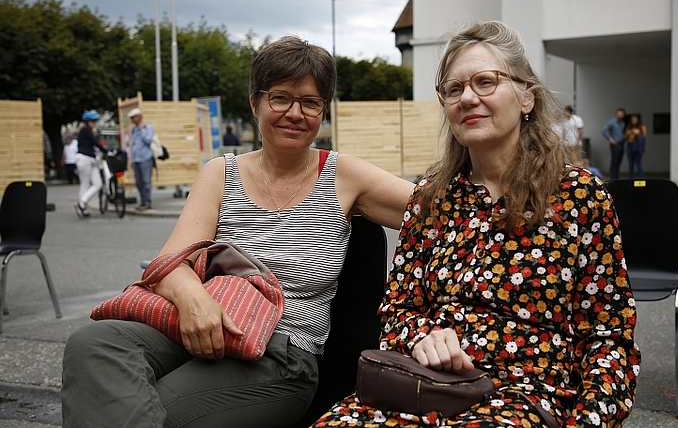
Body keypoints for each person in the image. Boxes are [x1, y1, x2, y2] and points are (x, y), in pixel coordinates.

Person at [61, 35, 416, 427]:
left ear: (323, 111)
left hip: (280, 354)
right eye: (280, 98)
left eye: (310, 102)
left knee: (148, 410)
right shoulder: (221, 172)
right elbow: (169, 263)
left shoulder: (343, 174)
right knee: (93, 344)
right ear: (255, 103)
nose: (295, 113)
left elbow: (446, 210)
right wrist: (196, 303)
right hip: (201, 328)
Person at [314, 21, 640, 427]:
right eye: (454, 89)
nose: (468, 98)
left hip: (524, 395)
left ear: (527, 98)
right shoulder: (432, 198)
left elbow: (609, 341)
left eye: (485, 82)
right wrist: (421, 336)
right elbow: (398, 312)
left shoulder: (579, 196)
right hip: (423, 387)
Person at [74, 110, 108, 218]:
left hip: (91, 159)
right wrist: (107, 151)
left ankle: (82, 204)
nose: (95, 123)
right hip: (84, 159)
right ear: (87, 122)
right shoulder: (85, 130)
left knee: (98, 184)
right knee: (85, 184)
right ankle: (83, 205)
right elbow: (95, 142)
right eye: (92, 121)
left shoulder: (89, 131)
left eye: (95, 121)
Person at [126, 107, 155, 211]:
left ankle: (147, 202)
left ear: (139, 117)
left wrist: (142, 130)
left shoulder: (148, 127)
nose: (132, 120)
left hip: (146, 158)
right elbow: (132, 145)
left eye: (133, 117)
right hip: (136, 159)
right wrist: (131, 160)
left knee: (146, 181)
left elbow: (148, 140)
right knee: (138, 182)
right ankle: (142, 201)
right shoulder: (133, 130)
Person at [601, 107, 627, 180]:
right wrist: (610, 139)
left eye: (621, 115)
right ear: (616, 114)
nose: (620, 116)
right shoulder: (612, 122)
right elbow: (603, 130)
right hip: (615, 144)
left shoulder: (622, 123)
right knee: (614, 161)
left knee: (619, 161)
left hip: (621, 143)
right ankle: (613, 177)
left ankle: (616, 176)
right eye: (619, 114)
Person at [625, 114, 648, 179]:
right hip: (630, 145)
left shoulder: (642, 126)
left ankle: (640, 178)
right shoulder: (629, 127)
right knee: (631, 163)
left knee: (639, 163)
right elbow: (626, 137)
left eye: (635, 120)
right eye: (632, 120)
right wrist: (629, 133)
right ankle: (631, 178)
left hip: (638, 146)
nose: (634, 121)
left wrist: (637, 133)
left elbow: (644, 136)